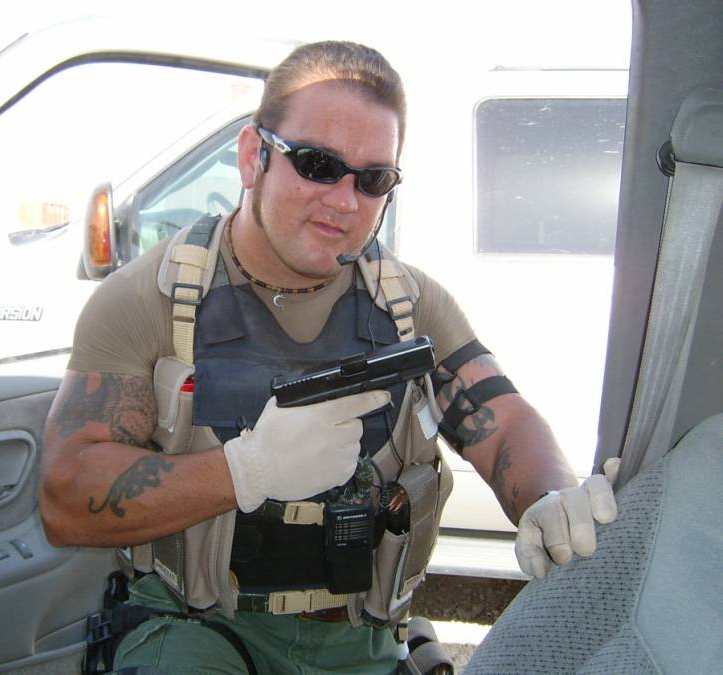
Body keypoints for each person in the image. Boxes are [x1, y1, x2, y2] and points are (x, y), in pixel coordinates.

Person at [39, 41, 618, 674]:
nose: (344, 202)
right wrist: (246, 471)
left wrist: (550, 499)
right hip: (196, 627)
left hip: (359, 640)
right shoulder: (152, 299)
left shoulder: (408, 306)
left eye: (373, 180)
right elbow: (67, 497)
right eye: (317, 164)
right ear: (253, 156)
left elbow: (501, 421)